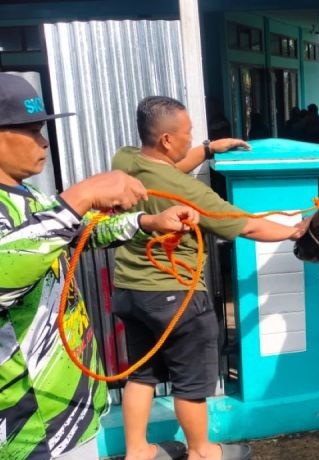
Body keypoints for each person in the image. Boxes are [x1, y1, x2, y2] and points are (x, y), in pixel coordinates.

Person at [0, 73, 198, 460]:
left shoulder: (29, 195)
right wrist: (82, 194)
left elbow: (73, 235)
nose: (43, 142)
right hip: (29, 427)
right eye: (30, 130)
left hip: (71, 407)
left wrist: (145, 223)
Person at [111, 96, 308, 460]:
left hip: (130, 291)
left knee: (141, 374)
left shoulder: (126, 160)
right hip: (176, 296)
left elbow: (167, 170)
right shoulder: (190, 193)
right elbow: (246, 225)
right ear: (167, 140)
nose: (192, 138)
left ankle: (137, 451)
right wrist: (295, 230)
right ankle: (203, 452)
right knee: (191, 381)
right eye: (188, 133)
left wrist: (206, 149)